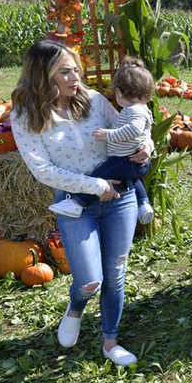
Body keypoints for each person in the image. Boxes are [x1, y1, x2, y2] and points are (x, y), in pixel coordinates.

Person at [11, 40, 152, 366]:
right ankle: (76, 307)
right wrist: (95, 185)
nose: (76, 77)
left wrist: (147, 146)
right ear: (43, 76)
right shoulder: (25, 115)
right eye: (65, 71)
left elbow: (132, 127)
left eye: (76, 69)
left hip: (122, 198)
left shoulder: (94, 100)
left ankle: (110, 342)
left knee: (115, 275)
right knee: (89, 280)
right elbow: (42, 169)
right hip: (75, 204)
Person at [48, 62, 155, 225]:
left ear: (119, 93)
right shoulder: (140, 109)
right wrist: (148, 145)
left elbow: (134, 130)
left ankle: (78, 203)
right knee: (131, 177)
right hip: (130, 160)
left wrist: (108, 135)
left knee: (101, 173)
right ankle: (143, 203)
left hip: (124, 159)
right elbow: (144, 131)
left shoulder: (134, 110)